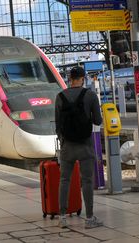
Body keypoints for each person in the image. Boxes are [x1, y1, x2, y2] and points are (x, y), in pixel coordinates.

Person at [55, 66, 103, 229]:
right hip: (85, 145)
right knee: (87, 181)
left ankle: (62, 218)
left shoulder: (60, 96)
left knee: (64, 180)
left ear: (70, 79)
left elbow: (58, 125)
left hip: (67, 146)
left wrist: (63, 142)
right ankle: (89, 219)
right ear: (82, 78)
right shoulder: (90, 95)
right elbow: (97, 121)